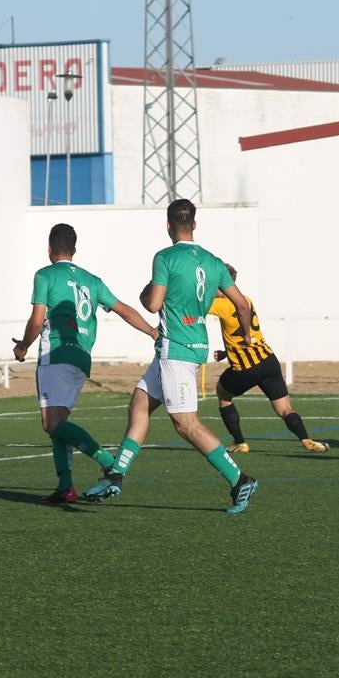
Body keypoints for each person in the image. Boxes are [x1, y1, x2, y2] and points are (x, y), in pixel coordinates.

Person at [83, 199, 263, 514]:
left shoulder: (164, 258)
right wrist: (246, 335)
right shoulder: (213, 261)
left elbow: (152, 304)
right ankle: (116, 474)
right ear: (194, 224)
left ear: (168, 226)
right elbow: (242, 305)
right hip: (192, 346)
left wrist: (146, 292)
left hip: (176, 350)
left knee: (185, 423)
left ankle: (239, 479)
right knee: (139, 404)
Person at [12, 223, 160, 505]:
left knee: (51, 424)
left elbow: (37, 319)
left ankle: (107, 462)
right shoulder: (92, 280)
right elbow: (124, 309)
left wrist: (23, 346)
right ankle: (65, 487)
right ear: (74, 249)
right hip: (82, 357)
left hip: (56, 354)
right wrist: (152, 331)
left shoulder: (45, 275)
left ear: (49, 249)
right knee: (59, 424)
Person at [208, 264, 330, 455]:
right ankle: (306, 439)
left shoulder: (221, 302)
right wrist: (226, 352)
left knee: (223, 394)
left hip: (246, 368)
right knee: (285, 409)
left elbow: (194, 303)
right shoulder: (246, 301)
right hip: (268, 361)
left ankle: (240, 442)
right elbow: (240, 331)